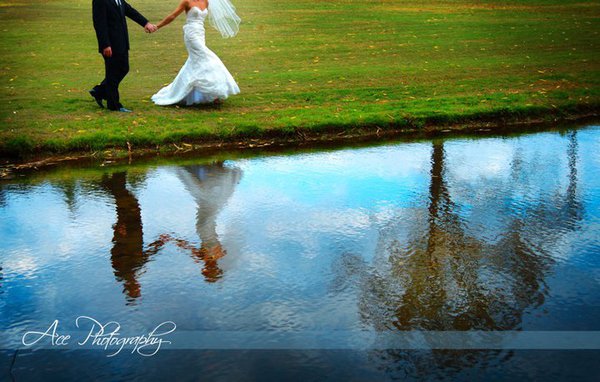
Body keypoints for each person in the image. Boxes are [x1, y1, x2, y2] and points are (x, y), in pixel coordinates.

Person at [151, 0, 240, 106]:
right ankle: (215, 92)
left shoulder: (206, 2)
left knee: (196, 62)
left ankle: (207, 92)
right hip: (191, 34)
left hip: (200, 33)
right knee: (209, 58)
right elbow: (172, 16)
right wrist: (157, 26)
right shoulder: (187, 2)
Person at [90, 0, 157, 112]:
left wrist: (146, 23)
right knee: (112, 73)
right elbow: (99, 23)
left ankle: (99, 91)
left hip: (122, 41)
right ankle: (114, 105)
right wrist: (105, 44)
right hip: (110, 44)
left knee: (123, 68)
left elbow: (130, 11)